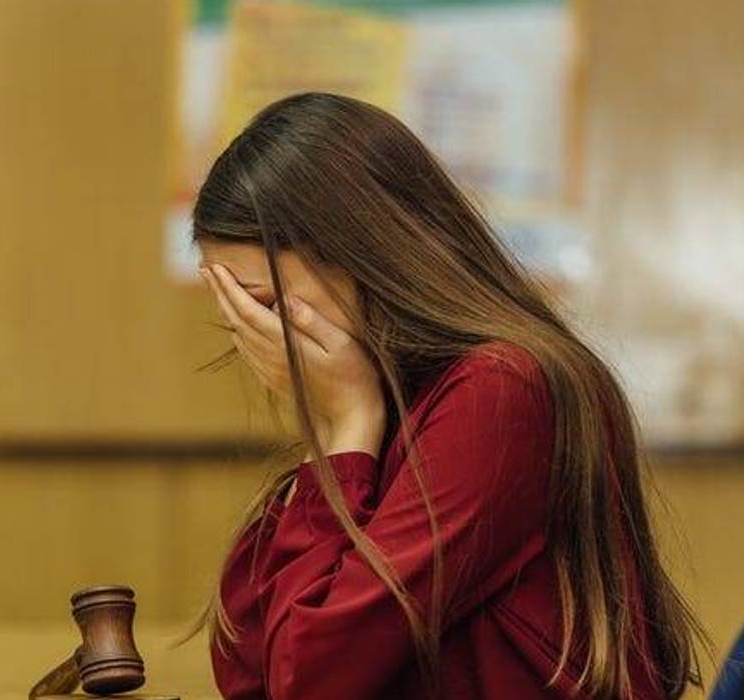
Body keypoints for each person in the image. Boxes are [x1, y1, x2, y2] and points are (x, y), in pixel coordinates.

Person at [186, 92, 706, 699]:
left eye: (262, 305)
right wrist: (336, 429)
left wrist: (345, 427)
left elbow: (308, 681)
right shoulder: (392, 396)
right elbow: (250, 666)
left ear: (359, 256)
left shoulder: (502, 391)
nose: (255, 335)